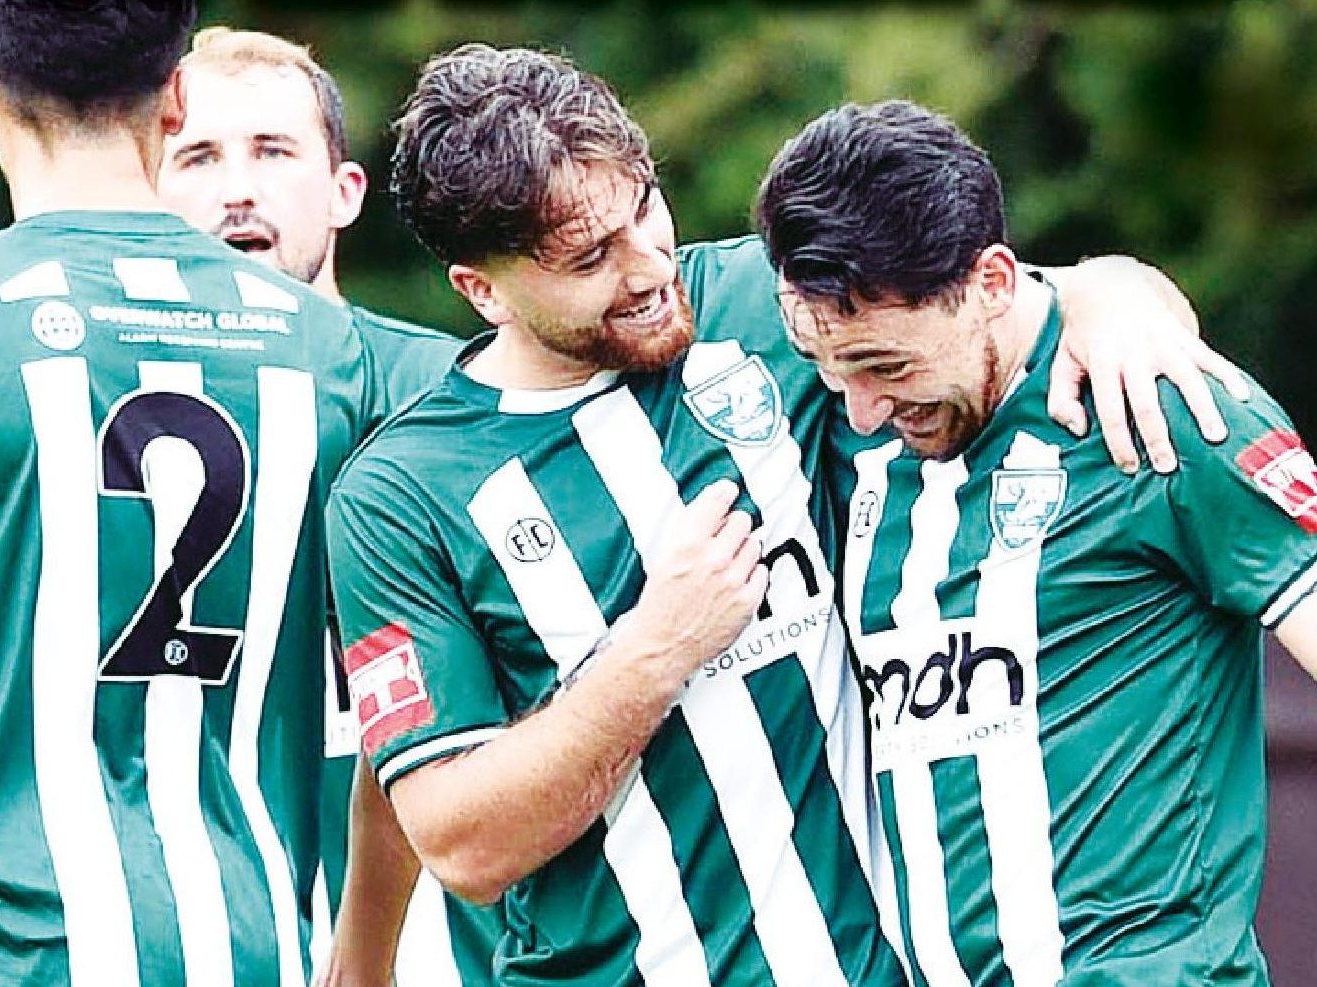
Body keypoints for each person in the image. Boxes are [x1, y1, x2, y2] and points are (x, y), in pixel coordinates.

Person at [323, 44, 1238, 986]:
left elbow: (989, 301)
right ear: (482, 288)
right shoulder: (400, 495)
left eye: (644, 206)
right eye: (590, 257)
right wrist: (655, 650)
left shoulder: (768, 307)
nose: (647, 267)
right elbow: (463, 846)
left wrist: (1117, 289)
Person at [755, 99, 1317, 986]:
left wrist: (1114, 288)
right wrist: (1106, 277)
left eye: (888, 366)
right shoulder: (857, 419)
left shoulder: (1166, 414)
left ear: (992, 284)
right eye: (828, 364)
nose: (860, 407)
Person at [0, 3, 391, 984]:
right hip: (258, 952)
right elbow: (394, 706)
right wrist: (363, 960)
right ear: (174, 103)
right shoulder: (328, 351)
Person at [152, 27, 496, 986]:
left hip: (445, 942)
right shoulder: (113, 422)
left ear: (345, 191)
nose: (238, 188)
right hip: (198, 928)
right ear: (152, 195)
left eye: (272, 151)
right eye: (199, 156)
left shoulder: (448, 390)